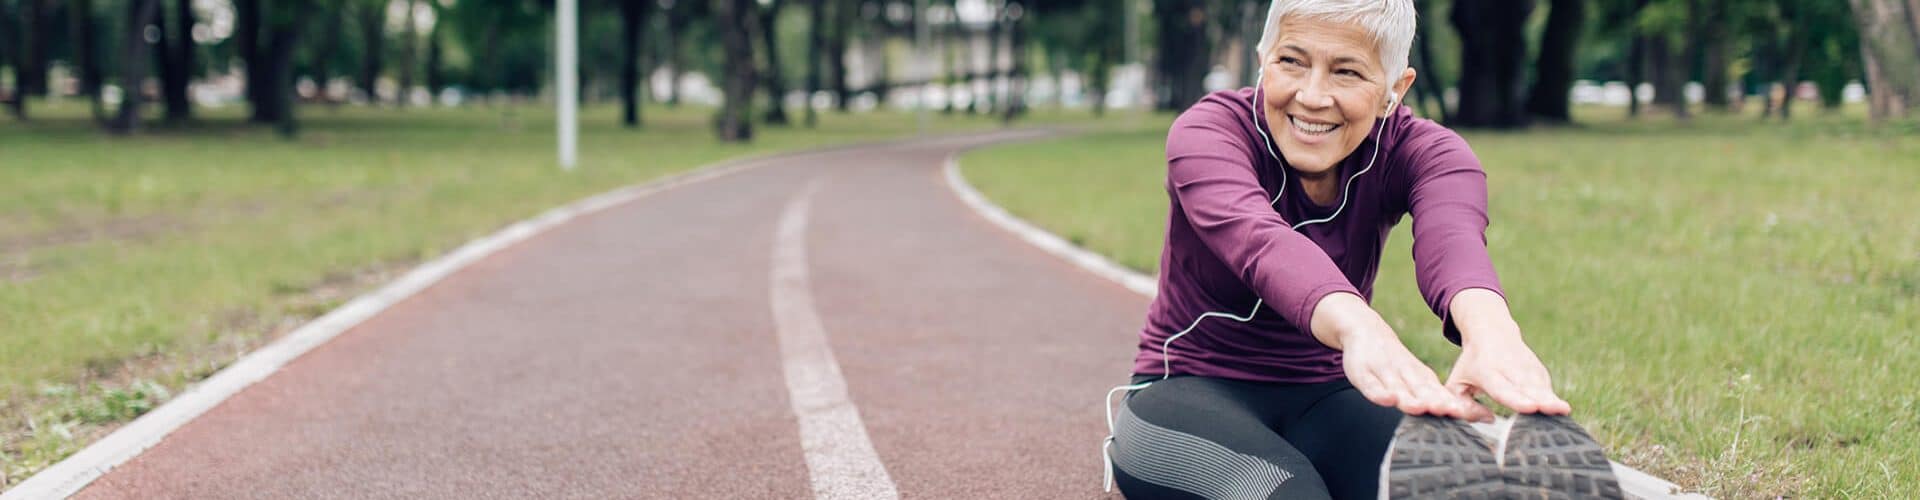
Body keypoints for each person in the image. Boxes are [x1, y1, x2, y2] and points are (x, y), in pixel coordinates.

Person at [1101, 1, 1611, 498]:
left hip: (1331, 397)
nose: (1312, 96)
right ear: (1263, 57)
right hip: (1188, 387)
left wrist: (1493, 335)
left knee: (1456, 473)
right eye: (1291, 62)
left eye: (1346, 73)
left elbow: (1453, 239)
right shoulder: (1207, 134)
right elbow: (1259, 242)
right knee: (1287, 491)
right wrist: (1359, 326)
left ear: (1395, 89)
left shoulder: (1429, 153)